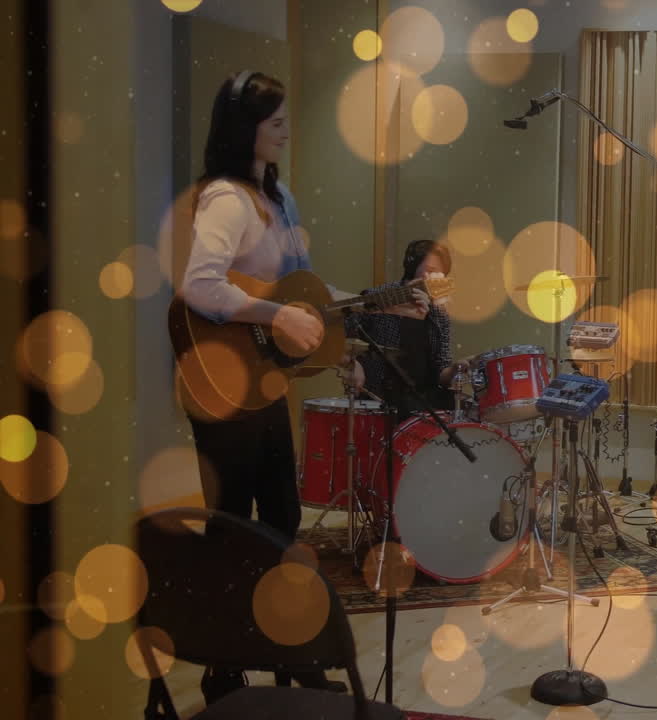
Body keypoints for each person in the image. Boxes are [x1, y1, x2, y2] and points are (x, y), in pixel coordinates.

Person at [179, 70, 421, 702]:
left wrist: (376, 310)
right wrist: (275, 315)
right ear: (245, 129)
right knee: (232, 528)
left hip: (263, 386)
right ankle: (222, 666)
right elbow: (200, 286)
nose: (286, 131)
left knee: (284, 523)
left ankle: (293, 655)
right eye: (275, 122)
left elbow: (306, 294)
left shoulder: (280, 200)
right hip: (221, 384)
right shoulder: (226, 199)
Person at [346, 238, 467, 422]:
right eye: (430, 271)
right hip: (379, 398)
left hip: (422, 404)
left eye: (439, 275)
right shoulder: (382, 296)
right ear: (412, 267)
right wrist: (354, 364)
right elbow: (345, 331)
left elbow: (441, 368)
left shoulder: (439, 313)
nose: (433, 279)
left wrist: (455, 369)